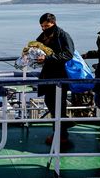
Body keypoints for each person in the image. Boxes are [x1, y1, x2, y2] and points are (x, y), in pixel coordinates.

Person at [36, 13, 75, 145]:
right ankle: (62, 127)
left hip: (60, 75)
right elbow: (37, 48)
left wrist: (47, 59)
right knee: (50, 102)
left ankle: (61, 135)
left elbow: (69, 54)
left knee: (59, 105)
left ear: (54, 23)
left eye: (46, 26)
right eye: (42, 26)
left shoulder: (63, 35)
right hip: (48, 75)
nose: (44, 28)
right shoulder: (44, 36)